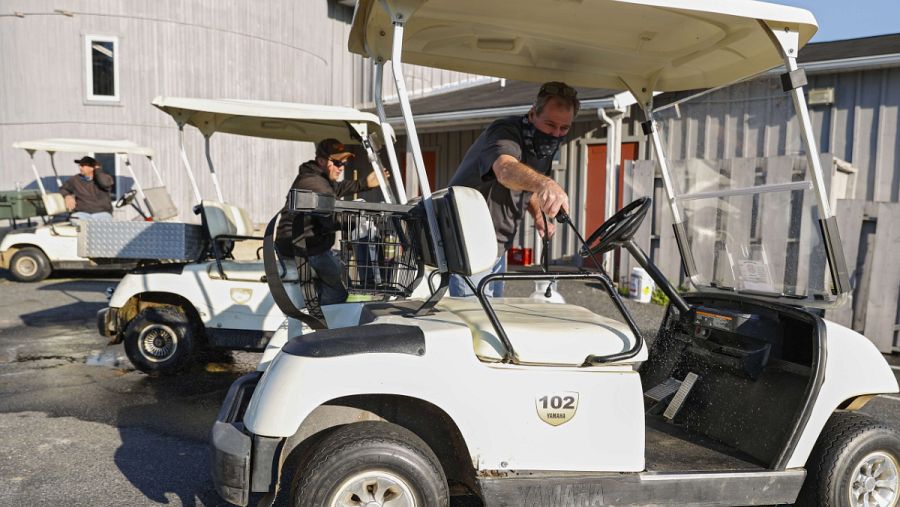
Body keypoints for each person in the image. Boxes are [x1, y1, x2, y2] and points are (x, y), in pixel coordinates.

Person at [447, 81, 579, 296]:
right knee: (474, 320)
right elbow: (506, 171)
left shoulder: (542, 147)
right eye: (550, 124)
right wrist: (546, 183)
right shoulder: (505, 131)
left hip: (498, 245)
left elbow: (526, 189)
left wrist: (538, 216)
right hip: (469, 242)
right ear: (532, 113)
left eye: (564, 128)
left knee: (494, 317)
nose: (556, 134)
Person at [276, 138, 388, 306]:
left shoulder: (317, 178)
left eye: (343, 163)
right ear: (321, 161)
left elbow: (338, 188)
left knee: (339, 264)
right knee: (341, 286)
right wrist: (357, 218)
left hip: (305, 243)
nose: (341, 168)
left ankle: (319, 304)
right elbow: (331, 218)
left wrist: (364, 184)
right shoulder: (314, 183)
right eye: (336, 163)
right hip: (302, 247)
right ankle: (323, 320)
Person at [60, 156, 115, 220]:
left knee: (101, 224)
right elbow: (63, 189)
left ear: (92, 168)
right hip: (81, 213)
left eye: (83, 165)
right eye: (80, 165)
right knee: (76, 220)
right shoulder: (75, 179)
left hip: (102, 213)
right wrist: (67, 196)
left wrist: (98, 170)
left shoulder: (105, 178)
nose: (80, 167)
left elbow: (105, 184)